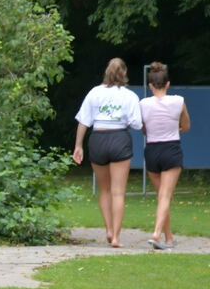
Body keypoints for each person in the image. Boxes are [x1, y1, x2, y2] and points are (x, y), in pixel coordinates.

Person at [72, 57, 143, 248]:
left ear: (107, 72)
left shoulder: (94, 93)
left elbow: (83, 121)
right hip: (120, 138)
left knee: (104, 190)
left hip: (98, 139)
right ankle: (117, 237)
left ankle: (109, 229)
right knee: (118, 192)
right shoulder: (129, 96)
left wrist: (78, 146)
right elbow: (137, 123)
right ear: (124, 74)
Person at [140, 61, 192, 250]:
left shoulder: (143, 104)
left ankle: (169, 238)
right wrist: (174, 128)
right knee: (165, 196)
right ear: (168, 84)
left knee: (162, 195)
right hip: (171, 149)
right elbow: (186, 126)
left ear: (150, 86)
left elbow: (144, 130)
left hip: (152, 151)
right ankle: (156, 233)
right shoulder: (178, 101)